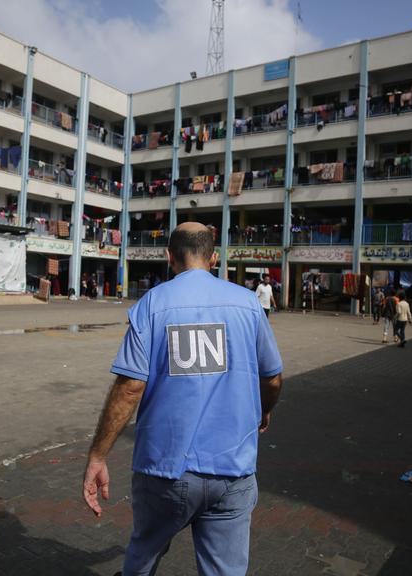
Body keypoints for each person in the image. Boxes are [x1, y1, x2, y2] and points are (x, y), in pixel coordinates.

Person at [82, 222, 284, 576]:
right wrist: (263, 410)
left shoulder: (153, 304)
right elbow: (272, 378)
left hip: (165, 469)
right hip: (232, 470)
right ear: (214, 257)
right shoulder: (247, 304)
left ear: (169, 256)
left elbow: (129, 388)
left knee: (143, 556)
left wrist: (98, 455)